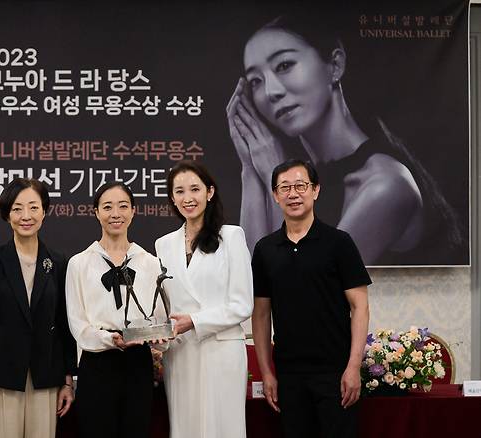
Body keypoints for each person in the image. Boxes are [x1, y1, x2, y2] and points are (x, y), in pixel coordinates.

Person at [227, 13, 463, 264]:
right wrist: (250, 169)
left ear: (335, 66)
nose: (270, 91)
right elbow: (250, 282)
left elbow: (296, 287)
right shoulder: (303, 178)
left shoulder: (385, 185)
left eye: (284, 66)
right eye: (255, 81)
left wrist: (275, 176)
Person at [251, 159, 371, 438]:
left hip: (336, 371)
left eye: (300, 186)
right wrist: (267, 373)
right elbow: (260, 314)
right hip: (288, 375)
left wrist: (353, 367)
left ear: (315, 190)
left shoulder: (339, 242)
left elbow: (360, 306)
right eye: (285, 188)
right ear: (275, 195)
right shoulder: (265, 248)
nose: (293, 194)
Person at [0, 178, 76, 438]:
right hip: (1, 376)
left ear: (44, 212)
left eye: (33, 207)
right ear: (7, 215)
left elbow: (64, 323)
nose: (25, 216)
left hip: (46, 376)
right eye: (17, 208)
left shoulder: (58, 262)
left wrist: (68, 381)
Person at [155, 160, 253, 438]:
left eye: (195, 189)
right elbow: (165, 305)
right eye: (180, 191)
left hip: (221, 351)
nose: (188, 198)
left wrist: (195, 321)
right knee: (185, 427)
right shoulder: (163, 244)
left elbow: (242, 304)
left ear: (209, 192)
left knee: (222, 427)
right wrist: (158, 334)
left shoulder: (231, 236)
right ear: (172, 198)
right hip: (181, 353)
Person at [65, 181, 166, 438]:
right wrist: (109, 339)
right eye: (107, 207)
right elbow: (77, 324)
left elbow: (160, 318)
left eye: (123, 206)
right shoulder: (79, 264)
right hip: (97, 364)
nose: (115, 214)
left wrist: (160, 338)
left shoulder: (151, 263)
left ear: (133, 211)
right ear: (96, 212)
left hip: (138, 364)